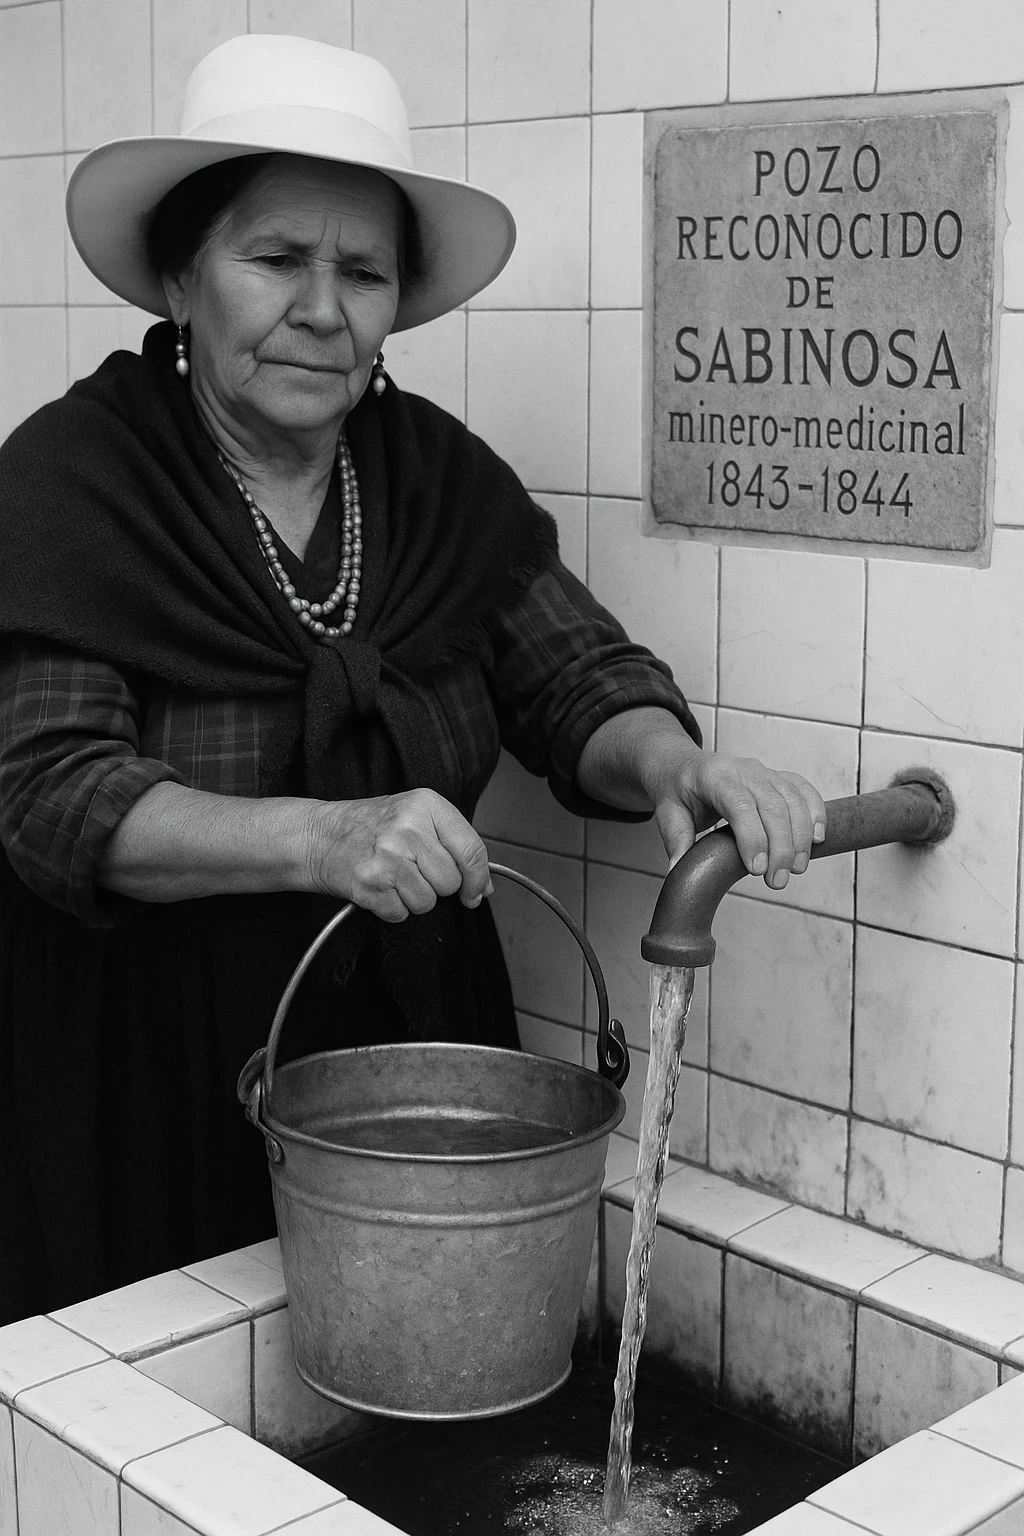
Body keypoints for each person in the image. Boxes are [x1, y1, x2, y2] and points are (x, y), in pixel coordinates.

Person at [0, 36, 826, 1324]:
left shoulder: (433, 480)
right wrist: (326, 838)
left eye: (363, 271)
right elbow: (54, 798)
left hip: (414, 1043)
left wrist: (678, 762)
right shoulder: (76, 487)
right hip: (147, 1067)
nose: (323, 308)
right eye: (275, 259)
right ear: (178, 274)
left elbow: (574, 675)